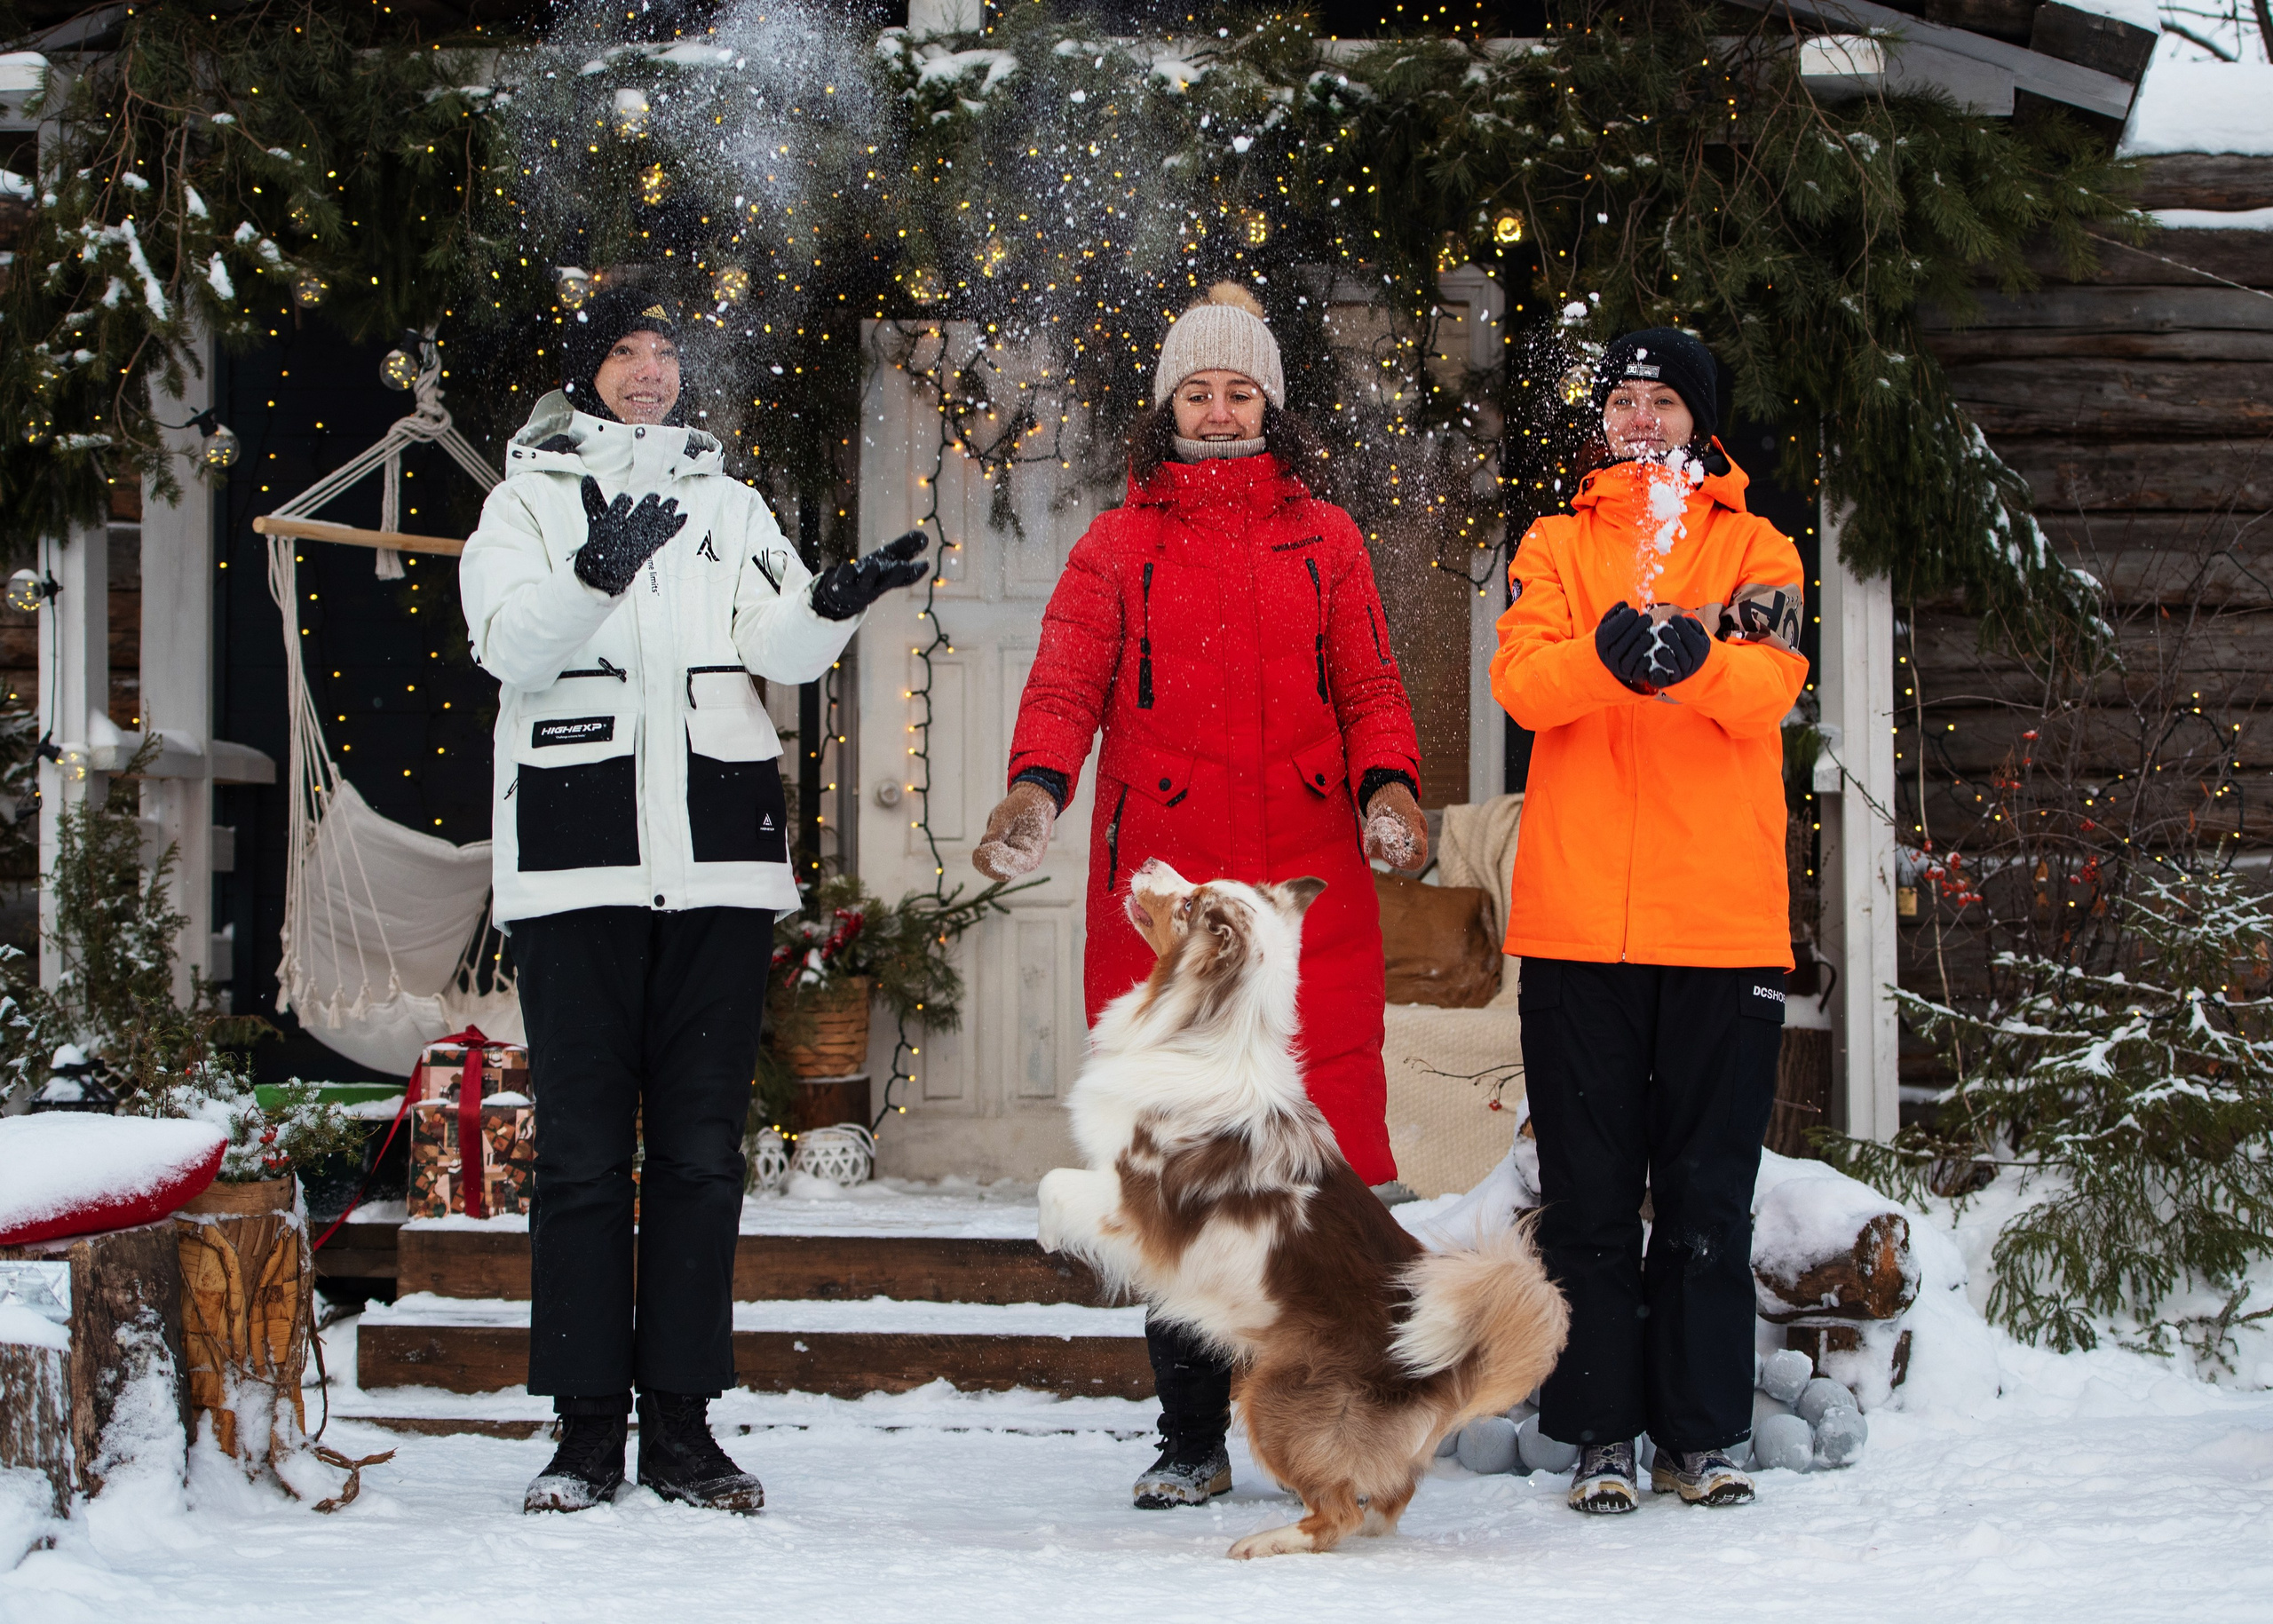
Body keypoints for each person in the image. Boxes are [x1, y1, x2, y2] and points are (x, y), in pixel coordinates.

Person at [460, 286, 928, 1515]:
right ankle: (580, 1434)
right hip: (575, 871)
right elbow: (509, 644)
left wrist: (833, 603)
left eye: (667, 353)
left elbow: (774, 641)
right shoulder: (525, 501)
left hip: (720, 869)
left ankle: (681, 1425)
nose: (652, 372)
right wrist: (595, 575)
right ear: (585, 371)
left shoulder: (730, 504)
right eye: (626, 351)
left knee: (702, 1159)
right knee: (575, 1164)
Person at [971, 282, 1430, 1510]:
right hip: (1167, 900)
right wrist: (1034, 790)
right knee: (1176, 1164)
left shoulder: (1326, 537)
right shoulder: (1116, 545)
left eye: (1238, 391)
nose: (1218, 410)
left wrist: (1391, 792)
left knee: (1316, 1166)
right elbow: (1066, 682)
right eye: (1197, 390)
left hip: (1300, 904)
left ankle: (1332, 1417)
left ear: (1269, 406)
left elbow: (1373, 685)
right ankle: (1188, 1436)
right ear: (1166, 405)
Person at [1491, 327, 1807, 1513]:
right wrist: (1607, 657)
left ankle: (1706, 1431)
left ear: (1698, 416)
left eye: (1662, 399)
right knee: (1587, 1196)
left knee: (1707, 1198)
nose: (1639, 417)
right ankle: (1596, 1431)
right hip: (1578, 924)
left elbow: (1771, 680)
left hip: (1721, 926)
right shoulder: (1558, 541)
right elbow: (1523, 681)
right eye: (1624, 398)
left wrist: (1690, 668)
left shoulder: (1756, 543)